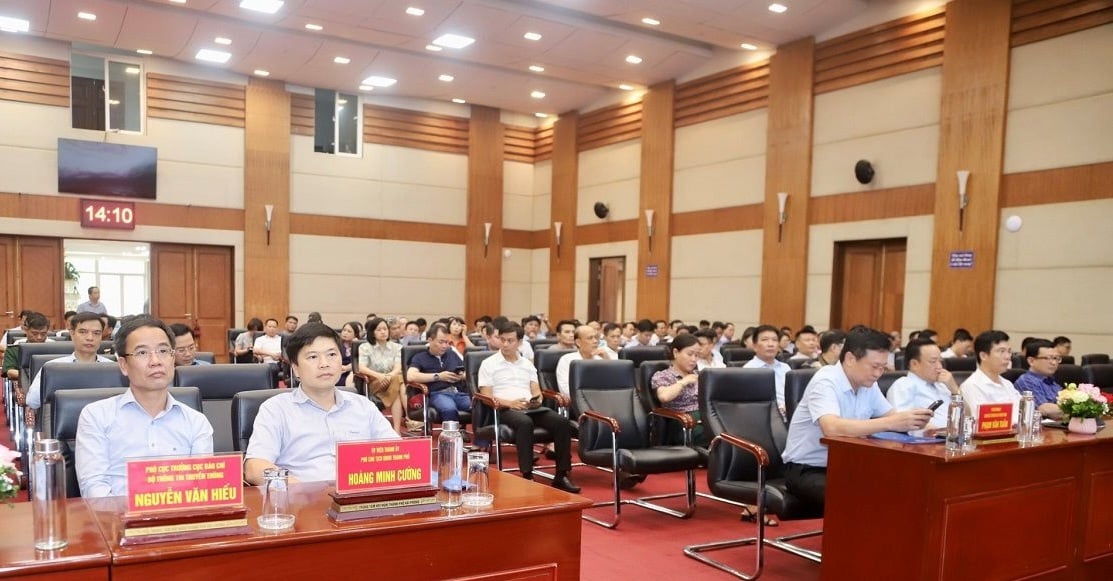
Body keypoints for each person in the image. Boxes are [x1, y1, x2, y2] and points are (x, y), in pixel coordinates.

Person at [782, 328, 933, 510]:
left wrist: (915, 420)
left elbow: (892, 416)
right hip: (808, 469)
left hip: (850, 465)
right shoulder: (825, 380)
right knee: (862, 496)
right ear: (850, 359)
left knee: (907, 484)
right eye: (874, 366)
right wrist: (892, 423)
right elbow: (832, 428)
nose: (879, 374)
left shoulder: (868, 384)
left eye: (883, 367)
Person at [75, 317, 214, 497]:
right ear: (124, 366)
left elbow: (201, 487)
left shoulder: (196, 422)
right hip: (115, 521)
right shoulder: (96, 416)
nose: (155, 361)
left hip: (180, 520)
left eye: (163, 351)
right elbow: (94, 489)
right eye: (142, 353)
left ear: (173, 359)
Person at [245, 323, 398, 484]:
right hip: (302, 503)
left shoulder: (363, 406)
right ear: (295, 368)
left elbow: (397, 453)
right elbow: (254, 468)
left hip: (358, 499)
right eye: (313, 357)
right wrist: (300, 488)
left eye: (332, 354)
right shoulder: (276, 409)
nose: (324, 363)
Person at [477, 322, 579, 493]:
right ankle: (527, 475)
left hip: (530, 407)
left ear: (519, 342)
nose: (505, 344)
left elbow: (536, 390)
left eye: (510, 340)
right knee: (524, 422)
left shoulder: (527, 364)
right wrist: (511, 403)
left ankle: (562, 474)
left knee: (561, 422)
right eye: (502, 340)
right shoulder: (489, 363)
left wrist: (537, 399)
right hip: (503, 408)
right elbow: (486, 396)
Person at [26, 312, 115, 410]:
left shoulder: (114, 369)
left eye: (96, 333)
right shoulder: (54, 368)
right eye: (83, 332)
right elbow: (32, 402)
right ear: (72, 334)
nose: (90, 338)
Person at [886, 338, 960, 430]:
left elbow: (967, 416)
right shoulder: (903, 385)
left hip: (954, 438)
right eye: (933, 361)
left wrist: (955, 390)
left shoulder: (943, 384)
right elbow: (901, 421)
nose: (939, 366)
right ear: (914, 364)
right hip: (929, 440)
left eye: (940, 361)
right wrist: (939, 432)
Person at [651, 334, 709, 447]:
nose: (694, 359)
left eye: (697, 355)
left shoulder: (700, 375)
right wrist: (683, 382)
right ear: (676, 352)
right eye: (690, 354)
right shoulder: (663, 376)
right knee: (719, 437)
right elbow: (664, 396)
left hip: (705, 418)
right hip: (681, 422)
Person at [407, 323, 471, 423]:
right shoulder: (420, 357)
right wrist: (438, 377)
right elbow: (411, 376)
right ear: (430, 340)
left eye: (447, 342)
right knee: (449, 408)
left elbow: (467, 373)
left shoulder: (451, 353)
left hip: (458, 392)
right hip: (437, 394)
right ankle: (452, 437)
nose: (445, 346)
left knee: (478, 406)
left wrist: (461, 376)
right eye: (441, 342)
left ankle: (481, 438)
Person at [959, 330, 1020, 426]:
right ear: (983, 356)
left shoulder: (1007, 384)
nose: (1008, 356)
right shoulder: (971, 386)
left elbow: (1023, 414)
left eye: (1009, 351)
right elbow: (981, 422)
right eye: (1002, 351)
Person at [358, 317, 407, 434]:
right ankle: (408, 418)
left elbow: (398, 367)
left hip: (391, 380)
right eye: (379, 329)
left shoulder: (397, 347)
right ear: (372, 332)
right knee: (399, 381)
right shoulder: (365, 347)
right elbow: (361, 367)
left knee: (396, 382)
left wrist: (389, 376)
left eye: (385, 329)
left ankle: (396, 430)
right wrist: (380, 376)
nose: (383, 332)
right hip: (373, 382)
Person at [742, 325, 792, 416]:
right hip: (764, 418)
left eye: (774, 340)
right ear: (755, 346)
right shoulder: (748, 370)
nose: (771, 344)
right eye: (765, 340)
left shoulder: (786, 368)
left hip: (790, 416)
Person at [1014, 338, 1064, 420]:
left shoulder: (1052, 382)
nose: (1054, 362)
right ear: (1031, 361)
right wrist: (1075, 410)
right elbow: (1045, 409)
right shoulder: (1026, 381)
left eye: (1056, 358)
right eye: (1048, 358)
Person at [555, 325, 611, 397]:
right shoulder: (567, 360)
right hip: (579, 402)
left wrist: (608, 361)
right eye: (590, 338)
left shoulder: (601, 359)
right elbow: (565, 390)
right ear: (578, 342)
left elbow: (616, 385)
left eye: (596, 337)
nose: (595, 341)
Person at [2, 311, 50, 381]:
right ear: (25, 330)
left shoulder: (56, 350)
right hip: (23, 384)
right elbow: (10, 372)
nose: (39, 337)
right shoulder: (14, 350)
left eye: (43, 334)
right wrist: (37, 377)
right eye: (35, 333)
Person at [336, 321, 361, 386]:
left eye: (349, 331)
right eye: (344, 330)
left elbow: (360, 362)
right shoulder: (336, 344)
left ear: (355, 334)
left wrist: (355, 345)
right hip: (338, 371)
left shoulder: (360, 346)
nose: (345, 333)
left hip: (353, 373)